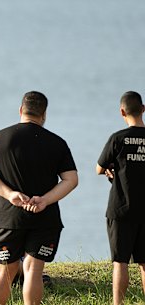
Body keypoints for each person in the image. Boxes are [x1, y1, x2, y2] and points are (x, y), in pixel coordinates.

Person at [0, 91, 78, 305]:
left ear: (21, 110)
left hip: (8, 219)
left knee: (5, 271)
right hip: (44, 218)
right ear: (44, 114)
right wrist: (45, 200)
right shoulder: (57, 143)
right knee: (33, 269)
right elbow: (71, 180)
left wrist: (9, 194)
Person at [96, 91, 145, 305]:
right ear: (143, 109)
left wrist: (111, 170)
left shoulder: (118, 138)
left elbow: (99, 168)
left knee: (120, 261)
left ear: (122, 112)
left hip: (121, 208)